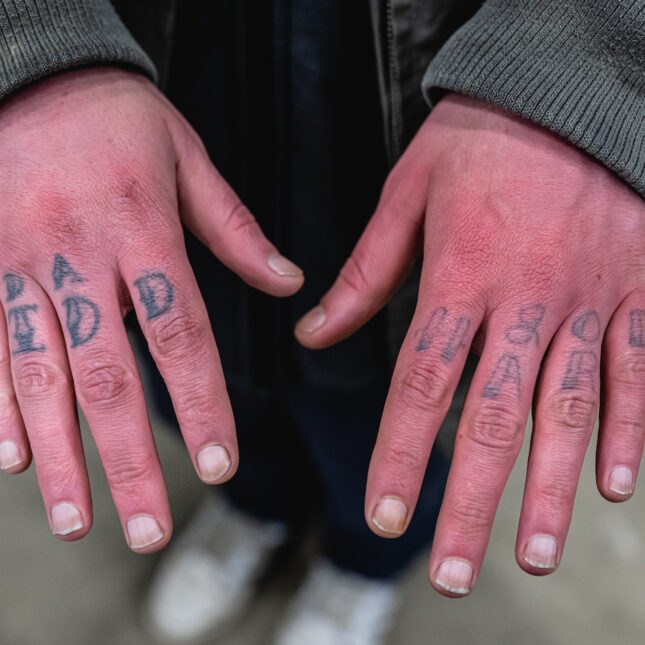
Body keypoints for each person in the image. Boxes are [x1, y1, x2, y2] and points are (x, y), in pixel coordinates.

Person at [0, 1, 643, 643]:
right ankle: (256, 506)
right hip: (159, 92)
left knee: (392, 441)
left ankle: (364, 565)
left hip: (438, 107)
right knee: (200, 393)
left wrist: (588, 67)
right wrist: (32, 46)